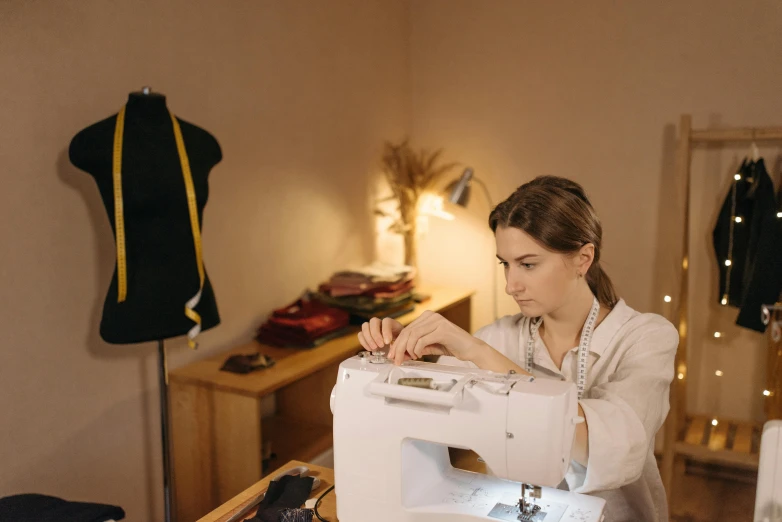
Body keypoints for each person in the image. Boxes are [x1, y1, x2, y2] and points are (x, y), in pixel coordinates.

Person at [357, 175, 679, 522]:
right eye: (505, 264)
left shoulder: (646, 338)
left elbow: (616, 443)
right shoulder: (500, 337)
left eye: (528, 264)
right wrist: (400, 356)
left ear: (583, 259)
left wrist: (477, 352)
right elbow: (423, 401)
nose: (511, 285)